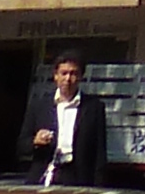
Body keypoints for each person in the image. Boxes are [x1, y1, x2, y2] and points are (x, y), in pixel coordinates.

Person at [30, 52, 108, 186]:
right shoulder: (40, 105)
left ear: (80, 77)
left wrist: (98, 186)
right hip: (45, 175)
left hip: (77, 177)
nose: (68, 78)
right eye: (63, 73)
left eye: (73, 73)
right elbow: (22, 145)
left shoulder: (93, 107)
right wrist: (36, 141)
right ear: (55, 76)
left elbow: (100, 153)